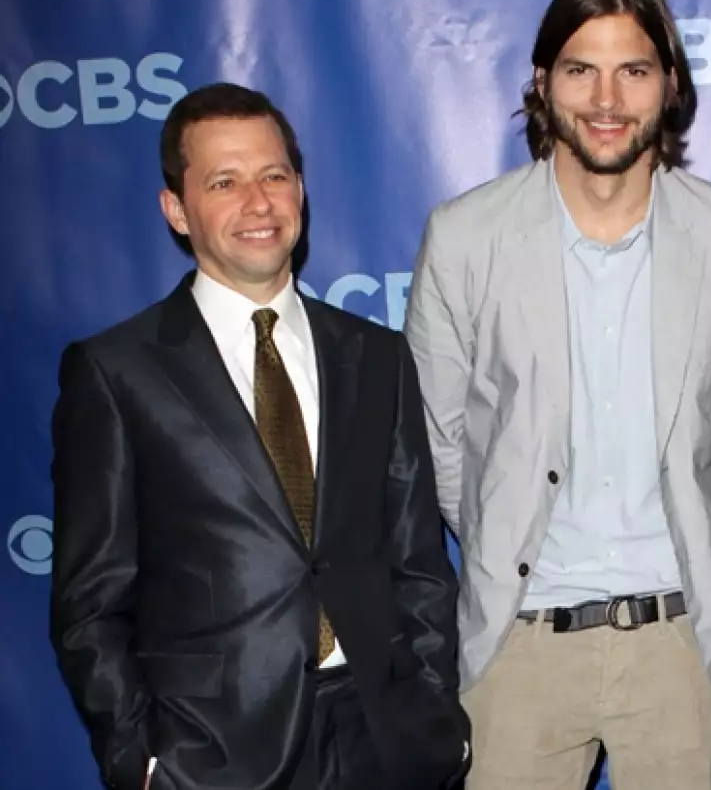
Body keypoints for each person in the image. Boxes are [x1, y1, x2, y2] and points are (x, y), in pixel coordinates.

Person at [405, 0, 711, 790]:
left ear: (669, 86)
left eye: (633, 70)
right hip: (517, 647)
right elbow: (440, 441)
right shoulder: (465, 237)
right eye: (581, 69)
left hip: (679, 647)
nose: (606, 99)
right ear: (542, 84)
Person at [49, 82, 468, 790]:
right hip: (210, 753)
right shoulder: (117, 372)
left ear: (300, 189)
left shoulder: (377, 356)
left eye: (274, 175)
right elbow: (89, 602)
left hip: (384, 738)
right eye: (225, 181)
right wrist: (140, 761)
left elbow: (418, 561)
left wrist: (434, 715)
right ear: (176, 209)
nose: (258, 202)